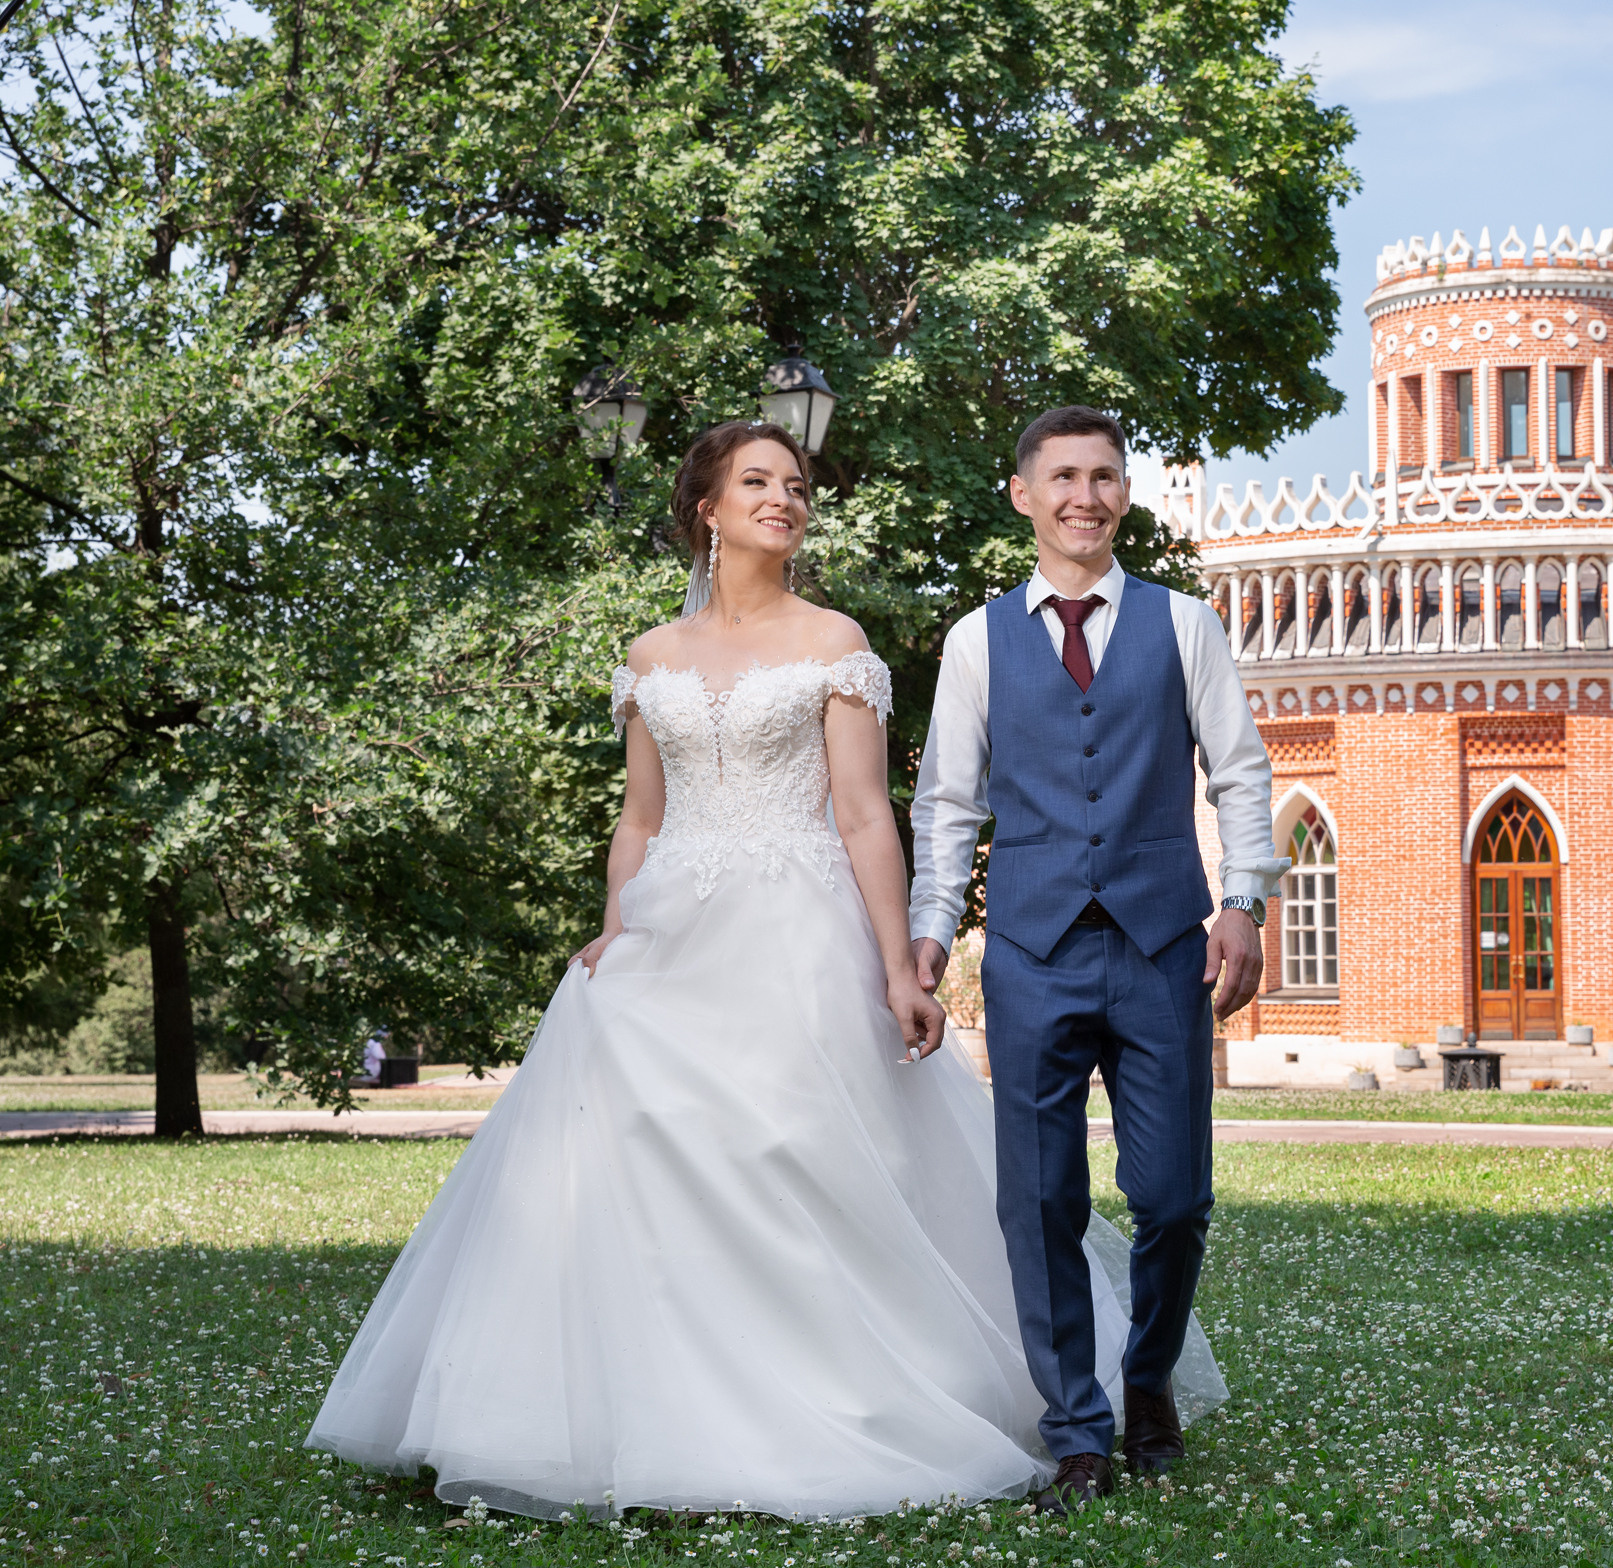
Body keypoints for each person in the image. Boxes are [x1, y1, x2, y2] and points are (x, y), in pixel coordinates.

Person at [306, 419, 1224, 1522]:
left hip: (800, 927)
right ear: (709, 508)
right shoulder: (650, 657)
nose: (784, 499)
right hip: (669, 939)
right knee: (633, 1162)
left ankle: (865, 1394)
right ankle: (653, 1407)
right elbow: (639, 818)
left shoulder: (835, 639)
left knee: (792, 1151)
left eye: (795, 485)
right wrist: (614, 925)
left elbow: (865, 815)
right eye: (759, 483)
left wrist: (900, 962)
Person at [909, 406, 1283, 1513]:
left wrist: (1243, 902)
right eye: (1065, 476)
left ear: (1126, 494)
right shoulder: (977, 641)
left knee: (1173, 1198)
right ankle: (1075, 1426)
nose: (1088, 495)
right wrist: (934, 931)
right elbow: (947, 804)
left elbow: (1243, 773)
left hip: (1165, 944)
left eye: (1107, 476)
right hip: (1030, 948)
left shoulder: (1186, 625)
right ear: (1023, 493)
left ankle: (1147, 1374)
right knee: (1039, 1201)